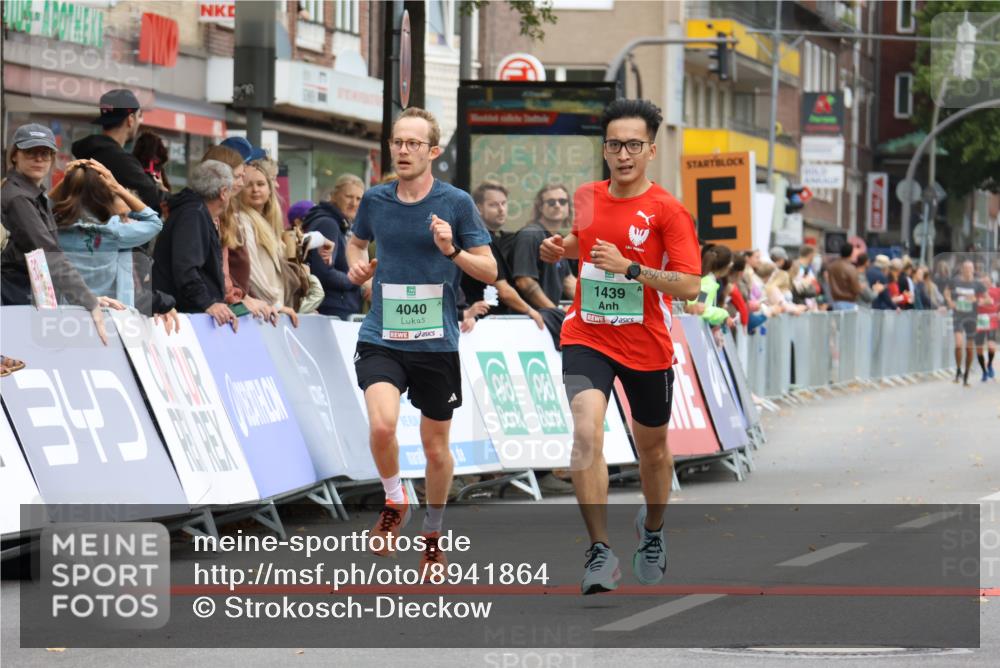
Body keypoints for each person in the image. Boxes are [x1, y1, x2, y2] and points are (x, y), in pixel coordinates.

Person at [539, 99, 701, 594]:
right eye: (614, 144)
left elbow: (689, 286)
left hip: (646, 344)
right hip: (587, 334)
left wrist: (632, 270)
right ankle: (599, 551)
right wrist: (558, 247)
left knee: (652, 451)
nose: (623, 154)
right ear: (604, 149)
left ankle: (651, 531)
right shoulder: (588, 195)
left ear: (651, 149)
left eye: (633, 144)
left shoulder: (668, 211)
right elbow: (583, 242)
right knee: (586, 432)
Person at [345, 107, 497, 578]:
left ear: (432, 151)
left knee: (435, 449)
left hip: (436, 342)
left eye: (413, 144)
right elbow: (356, 242)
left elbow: (490, 271)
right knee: (383, 426)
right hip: (382, 335)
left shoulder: (455, 203)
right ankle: (395, 498)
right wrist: (359, 269)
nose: (403, 150)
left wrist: (452, 250)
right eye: (397, 142)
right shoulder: (375, 199)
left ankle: (432, 534)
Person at [1, 124, 124, 344]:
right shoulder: (18, 197)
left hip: (26, 297)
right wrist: (89, 301)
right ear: (14, 156)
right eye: (30, 152)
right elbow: (49, 254)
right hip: (13, 298)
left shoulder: (32, 195)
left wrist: (87, 298)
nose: (39, 159)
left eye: (45, 153)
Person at [52, 161, 162, 308]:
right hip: (106, 311)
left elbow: (36, 208)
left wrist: (67, 180)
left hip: (63, 311)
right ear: (105, 194)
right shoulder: (114, 232)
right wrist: (117, 188)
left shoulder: (54, 228)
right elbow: (154, 222)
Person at [152, 159, 238, 331]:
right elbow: (186, 268)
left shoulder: (194, 212)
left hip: (185, 314)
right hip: (181, 318)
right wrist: (208, 303)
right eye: (231, 190)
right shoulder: (193, 215)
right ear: (223, 193)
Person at [459, 181, 546, 329]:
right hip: (478, 325)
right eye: (493, 205)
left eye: (504, 203)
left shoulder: (502, 240)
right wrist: (531, 311)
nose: (501, 209)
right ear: (478, 208)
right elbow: (503, 290)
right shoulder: (479, 241)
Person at [237, 159, 311, 322]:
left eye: (261, 184)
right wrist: (275, 304)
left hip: (273, 310)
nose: (255, 189)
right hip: (261, 312)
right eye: (249, 185)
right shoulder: (242, 220)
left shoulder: (268, 223)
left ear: (270, 189)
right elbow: (251, 271)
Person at [71, 89, 168, 212]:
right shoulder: (122, 162)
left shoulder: (85, 151)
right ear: (131, 119)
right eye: (139, 116)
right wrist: (162, 191)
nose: (140, 122)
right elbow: (156, 200)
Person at [301, 175, 365, 319]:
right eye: (349, 196)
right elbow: (323, 272)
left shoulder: (341, 224)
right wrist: (355, 280)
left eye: (359, 199)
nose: (354, 203)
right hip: (332, 310)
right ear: (335, 196)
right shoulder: (328, 223)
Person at [510, 184, 578, 309]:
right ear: (540, 207)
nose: (557, 205)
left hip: (547, 319)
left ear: (568, 206)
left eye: (562, 201)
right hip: (526, 322)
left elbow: (568, 281)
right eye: (551, 202)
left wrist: (594, 307)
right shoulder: (529, 235)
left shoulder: (558, 238)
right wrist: (555, 312)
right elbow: (525, 282)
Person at [943, 260, 985, 386]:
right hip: (958, 316)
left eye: (970, 269)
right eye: (965, 269)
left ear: (973, 270)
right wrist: (949, 300)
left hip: (971, 317)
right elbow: (946, 291)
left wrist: (976, 300)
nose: (967, 271)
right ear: (962, 269)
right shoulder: (955, 281)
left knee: (969, 348)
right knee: (958, 344)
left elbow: (987, 299)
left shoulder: (977, 284)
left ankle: (966, 373)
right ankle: (958, 369)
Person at [687, 243, 734, 328]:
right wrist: (724, 315)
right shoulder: (708, 284)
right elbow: (701, 308)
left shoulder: (707, 280)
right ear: (726, 266)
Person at [974, 274, 998, 382]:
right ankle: (984, 371)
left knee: (991, 346)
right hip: (979, 321)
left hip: (992, 320)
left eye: (987, 282)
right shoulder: (976, 293)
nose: (985, 284)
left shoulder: (997, 291)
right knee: (979, 349)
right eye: (983, 282)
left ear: (991, 282)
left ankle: (989, 365)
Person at [824, 242, 861, 310]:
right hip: (849, 302)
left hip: (835, 301)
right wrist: (860, 288)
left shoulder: (831, 267)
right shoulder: (851, 268)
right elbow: (856, 288)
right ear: (851, 253)